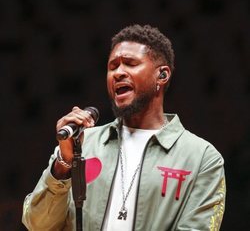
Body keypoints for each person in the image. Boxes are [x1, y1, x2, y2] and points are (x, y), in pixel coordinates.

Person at [22, 24, 226, 231]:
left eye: (130, 64)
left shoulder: (202, 157)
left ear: (162, 75)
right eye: (112, 66)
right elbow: (37, 224)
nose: (118, 73)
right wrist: (64, 163)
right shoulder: (82, 143)